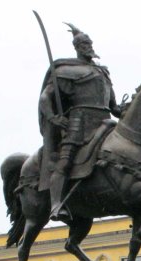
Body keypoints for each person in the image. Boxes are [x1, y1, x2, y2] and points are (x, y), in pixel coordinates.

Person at [39, 23, 125, 218]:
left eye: (90, 43)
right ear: (77, 47)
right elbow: (45, 97)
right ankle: (56, 204)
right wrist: (53, 117)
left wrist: (124, 109)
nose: (89, 47)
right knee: (65, 161)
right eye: (85, 44)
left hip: (106, 122)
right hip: (80, 123)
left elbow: (113, 107)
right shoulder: (66, 71)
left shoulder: (102, 72)